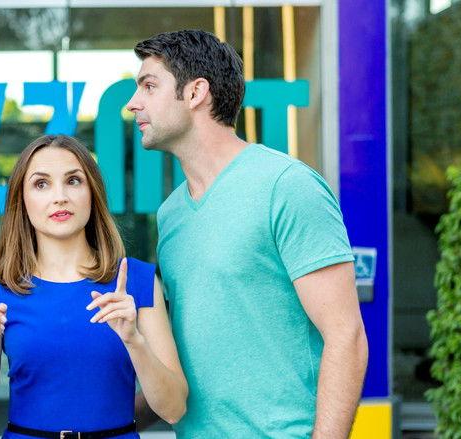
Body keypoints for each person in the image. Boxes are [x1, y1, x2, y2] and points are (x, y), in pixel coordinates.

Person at [125, 30, 369, 438]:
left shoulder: (286, 186)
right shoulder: (171, 215)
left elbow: (347, 337)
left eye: (149, 86)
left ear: (196, 92)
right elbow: (188, 364)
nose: (134, 103)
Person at [0, 135, 187, 438]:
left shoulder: (137, 281)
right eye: (41, 184)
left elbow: (174, 409)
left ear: (92, 193)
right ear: (21, 200)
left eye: (73, 181)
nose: (59, 196)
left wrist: (134, 341)